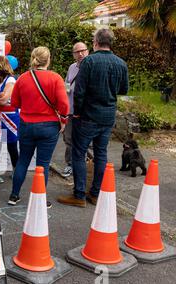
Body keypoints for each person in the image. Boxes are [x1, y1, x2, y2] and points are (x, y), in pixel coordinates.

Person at [57, 28, 129, 208]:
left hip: (88, 115)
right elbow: (123, 90)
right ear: (110, 42)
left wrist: (78, 112)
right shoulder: (121, 63)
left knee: (78, 153)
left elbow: (79, 92)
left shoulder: (88, 62)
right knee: (101, 153)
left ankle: (79, 194)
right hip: (108, 115)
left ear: (95, 42)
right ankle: (96, 193)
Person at [8, 47, 69, 208]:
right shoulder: (55, 78)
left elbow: (15, 103)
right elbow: (64, 104)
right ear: (48, 60)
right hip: (48, 126)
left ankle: (14, 195)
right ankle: (40, 199)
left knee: (23, 160)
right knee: (43, 164)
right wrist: (63, 120)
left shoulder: (22, 78)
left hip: (27, 124)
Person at [0, 55, 19, 184]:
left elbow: (4, 100)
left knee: (12, 146)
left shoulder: (10, 80)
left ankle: (16, 170)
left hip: (9, 117)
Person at [61, 42, 89, 178]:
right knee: (68, 138)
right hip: (71, 109)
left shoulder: (91, 66)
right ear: (73, 54)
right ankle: (70, 164)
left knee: (84, 139)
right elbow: (67, 83)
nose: (80, 54)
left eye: (83, 51)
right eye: (77, 52)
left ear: (88, 51)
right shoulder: (72, 67)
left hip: (85, 111)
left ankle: (84, 165)